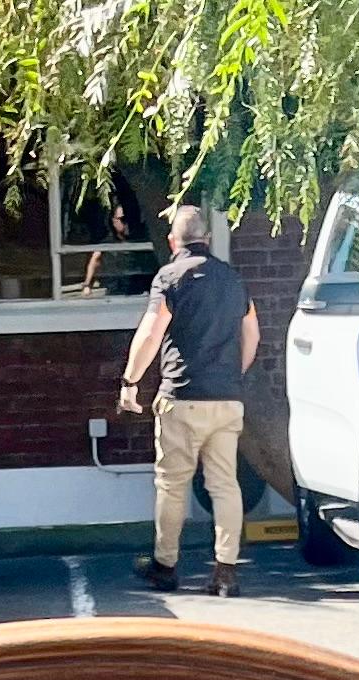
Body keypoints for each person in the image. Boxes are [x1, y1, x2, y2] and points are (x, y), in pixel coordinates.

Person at [119, 201, 258, 597]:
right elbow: (253, 334)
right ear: (207, 239)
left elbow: (150, 334)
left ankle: (165, 566)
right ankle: (226, 572)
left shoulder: (169, 278)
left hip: (181, 397)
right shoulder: (233, 279)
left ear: (172, 240)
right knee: (225, 485)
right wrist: (235, 374)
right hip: (226, 399)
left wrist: (130, 383)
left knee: (171, 484)